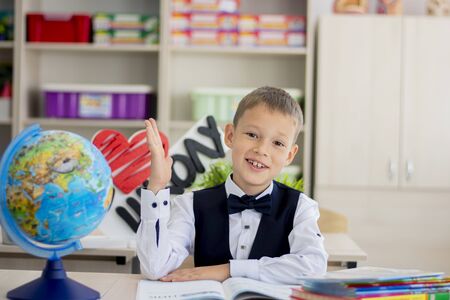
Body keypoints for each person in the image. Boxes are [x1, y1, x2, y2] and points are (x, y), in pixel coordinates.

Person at [137, 86, 328, 284]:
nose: (261, 149)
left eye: (278, 143)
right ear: (230, 135)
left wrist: (229, 270)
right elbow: (154, 268)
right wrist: (157, 185)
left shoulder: (300, 208)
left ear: (289, 154)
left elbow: (314, 266)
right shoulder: (191, 205)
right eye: (252, 135)